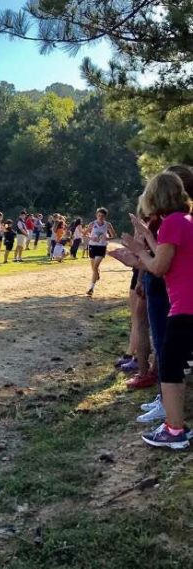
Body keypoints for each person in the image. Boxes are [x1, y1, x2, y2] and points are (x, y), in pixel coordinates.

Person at [122, 171, 193, 450]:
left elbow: (159, 268)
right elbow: (167, 253)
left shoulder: (172, 223)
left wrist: (138, 256)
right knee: (178, 365)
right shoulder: (184, 221)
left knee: (172, 369)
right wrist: (145, 244)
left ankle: (174, 431)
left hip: (185, 307)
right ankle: (175, 426)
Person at [86, 207, 116, 296]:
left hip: (101, 247)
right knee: (93, 268)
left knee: (95, 267)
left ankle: (91, 288)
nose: (100, 217)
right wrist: (91, 237)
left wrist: (107, 237)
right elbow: (85, 233)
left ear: (105, 217)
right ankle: (97, 274)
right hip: (92, 246)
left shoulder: (108, 225)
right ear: (96, 215)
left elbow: (114, 235)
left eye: (102, 216)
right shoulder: (92, 224)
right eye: (99, 215)